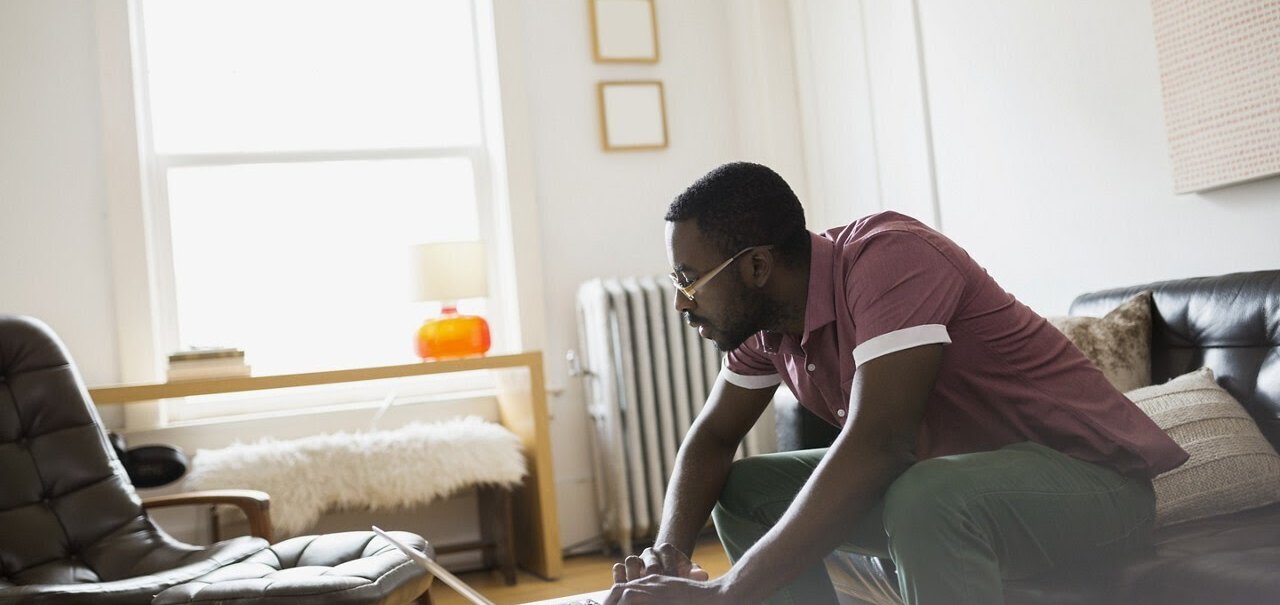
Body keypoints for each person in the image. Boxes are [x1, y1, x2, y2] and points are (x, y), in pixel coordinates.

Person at [602, 162, 1188, 605]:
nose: (682, 303)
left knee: (922, 491)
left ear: (756, 267)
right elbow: (711, 437)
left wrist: (727, 593)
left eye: (689, 279)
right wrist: (669, 556)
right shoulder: (765, 320)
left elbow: (881, 444)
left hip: (1095, 488)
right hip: (959, 488)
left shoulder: (889, 260)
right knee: (747, 489)